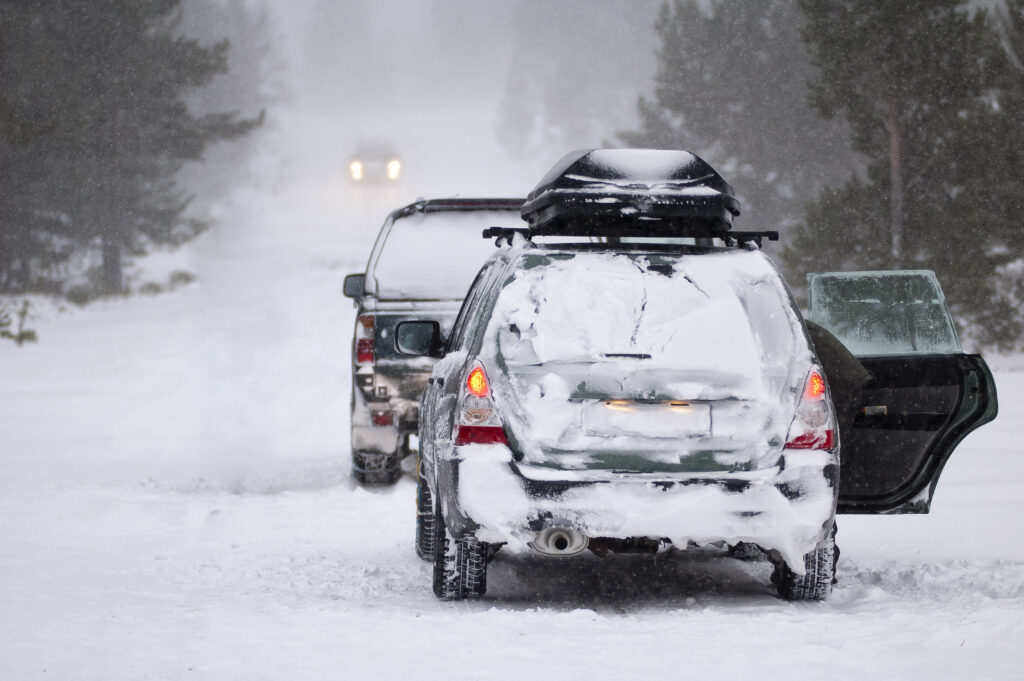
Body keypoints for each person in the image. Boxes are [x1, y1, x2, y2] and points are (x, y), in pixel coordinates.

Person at [804, 320, 873, 583]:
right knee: (823, 463)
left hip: (842, 386)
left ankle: (824, 564)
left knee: (821, 465)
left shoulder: (774, 320)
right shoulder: (778, 313)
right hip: (843, 380)